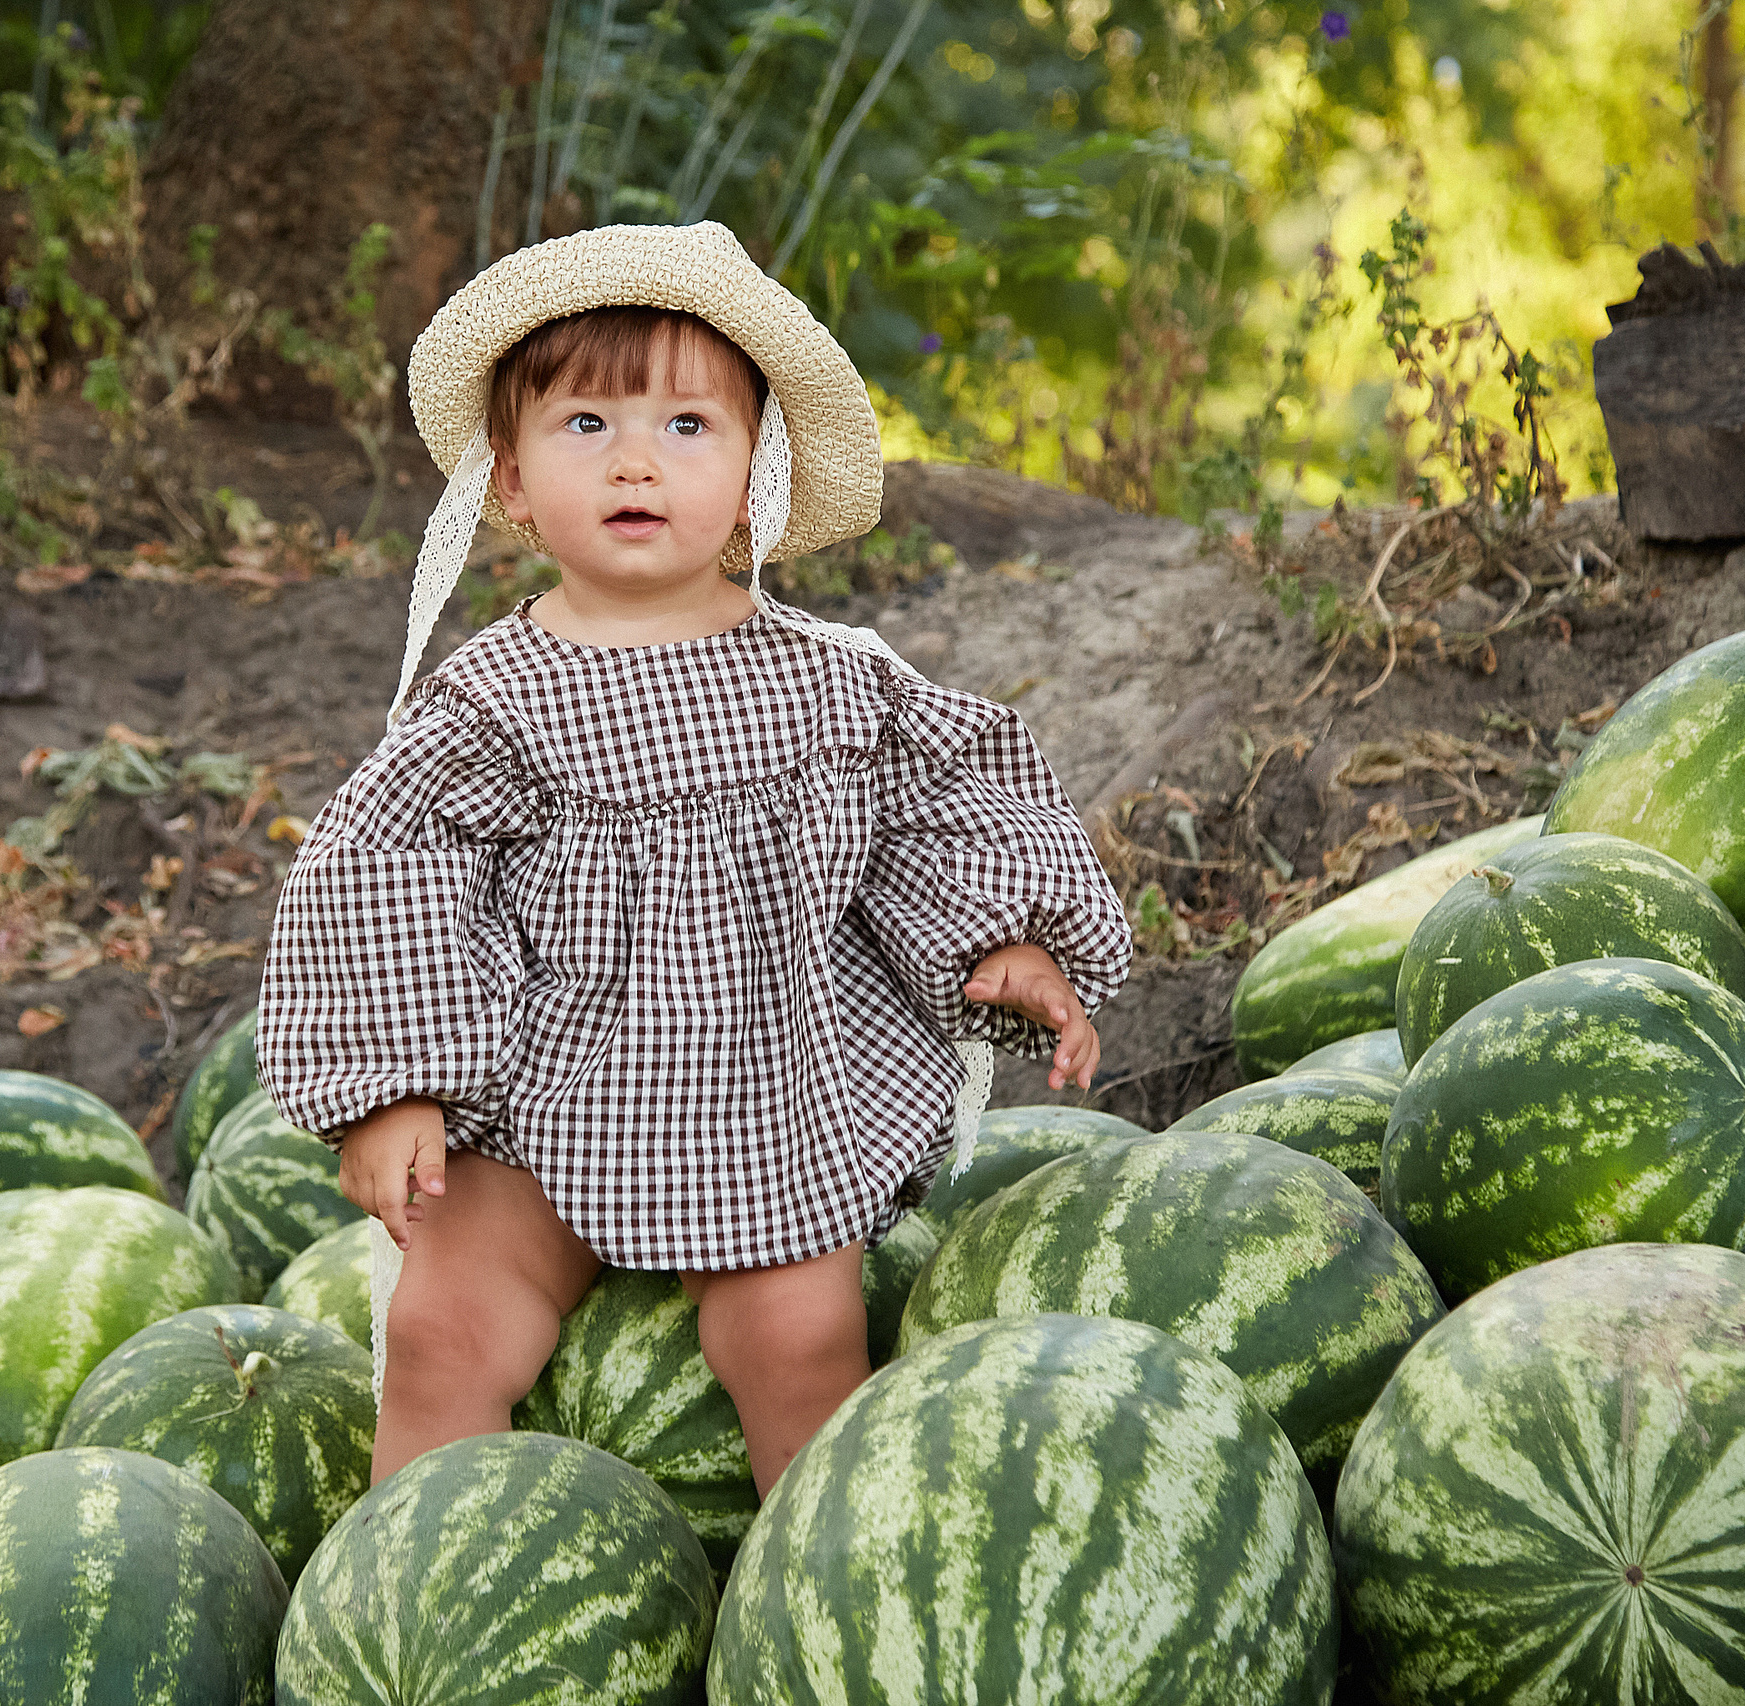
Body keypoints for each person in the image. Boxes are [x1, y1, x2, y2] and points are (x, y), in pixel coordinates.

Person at [257, 221, 1130, 1495]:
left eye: (686, 427)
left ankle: (811, 1598)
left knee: (798, 1338)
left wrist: (1005, 937)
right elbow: (384, 868)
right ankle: (417, 1593)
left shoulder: (831, 685)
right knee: (443, 1328)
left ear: (755, 474)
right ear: (508, 481)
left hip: (767, 1093)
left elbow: (939, 805)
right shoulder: (492, 702)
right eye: (585, 425)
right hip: (541, 1102)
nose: (636, 462)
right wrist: (394, 1087)